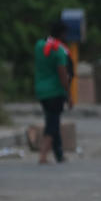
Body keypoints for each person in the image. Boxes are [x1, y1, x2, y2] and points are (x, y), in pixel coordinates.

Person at [34, 20, 73, 164]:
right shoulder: (60, 52)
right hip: (55, 92)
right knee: (53, 122)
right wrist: (68, 94)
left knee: (52, 119)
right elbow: (63, 75)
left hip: (40, 90)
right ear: (62, 34)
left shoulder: (39, 46)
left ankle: (59, 154)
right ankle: (43, 155)